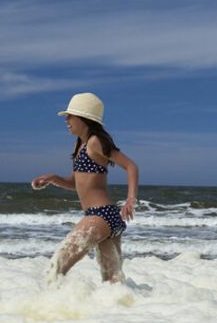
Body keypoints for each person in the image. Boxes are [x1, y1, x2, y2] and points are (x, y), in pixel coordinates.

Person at [31, 92, 139, 283]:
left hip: (100, 216)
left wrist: (131, 199)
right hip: (106, 218)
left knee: (55, 268)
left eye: (70, 115)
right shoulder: (80, 145)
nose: (66, 119)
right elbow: (76, 183)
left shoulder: (95, 142)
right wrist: (53, 178)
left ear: (84, 118)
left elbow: (131, 166)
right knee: (113, 283)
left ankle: (45, 311)